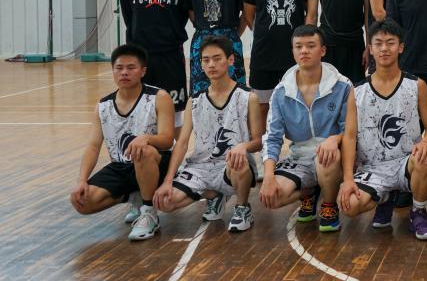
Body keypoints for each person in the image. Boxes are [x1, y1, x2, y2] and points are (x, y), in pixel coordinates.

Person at [338, 19, 427, 240]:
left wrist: (425, 142)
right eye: (378, 43)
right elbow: (350, 137)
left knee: (424, 156)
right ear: (370, 49)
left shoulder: (417, 85)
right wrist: (348, 179)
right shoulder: (357, 91)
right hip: (372, 167)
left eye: (390, 43)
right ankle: (385, 197)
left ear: (400, 47)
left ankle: (418, 212)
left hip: (406, 163)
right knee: (349, 205)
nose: (384, 48)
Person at [153, 36, 262, 232]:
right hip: (201, 167)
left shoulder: (248, 97)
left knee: (238, 161)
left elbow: (258, 142)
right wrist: (168, 181)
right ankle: (215, 195)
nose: (211, 64)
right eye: (206, 60)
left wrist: (243, 146)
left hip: (232, 166)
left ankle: (242, 207)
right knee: (166, 203)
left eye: (217, 58)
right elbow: (182, 143)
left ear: (230, 60)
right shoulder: (194, 101)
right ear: (201, 64)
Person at [70, 44, 174, 241]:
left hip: (156, 162)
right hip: (121, 166)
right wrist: (81, 180)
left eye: (131, 67)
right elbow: (93, 146)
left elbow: (167, 139)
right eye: (119, 68)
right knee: (83, 202)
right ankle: (133, 195)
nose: (124, 72)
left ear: (143, 71)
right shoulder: (103, 106)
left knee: (143, 152)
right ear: (113, 71)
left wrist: (146, 138)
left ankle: (149, 212)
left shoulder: (159, 97)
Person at [259, 25, 350, 233]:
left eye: (311, 45)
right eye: (298, 46)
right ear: (292, 51)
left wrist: (335, 139)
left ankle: (329, 205)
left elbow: (352, 131)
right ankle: (309, 191)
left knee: (327, 157)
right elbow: (272, 137)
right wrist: (269, 176)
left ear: (323, 50)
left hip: (332, 156)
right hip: (299, 157)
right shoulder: (281, 91)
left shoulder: (342, 86)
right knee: (273, 197)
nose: (304, 51)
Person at [118, 0, 191, 128]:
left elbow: (183, 15)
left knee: (175, 108)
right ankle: (144, 145)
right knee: (141, 105)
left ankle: (174, 148)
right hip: (140, 56)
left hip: (170, 55)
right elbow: (129, 17)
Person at [244, 0, 309, 135]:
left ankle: (299, 148)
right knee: (262, 105)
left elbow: (310, 12)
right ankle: (263, 147)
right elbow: (249, 17)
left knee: (298, 104)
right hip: (263, 54)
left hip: (295, 55)